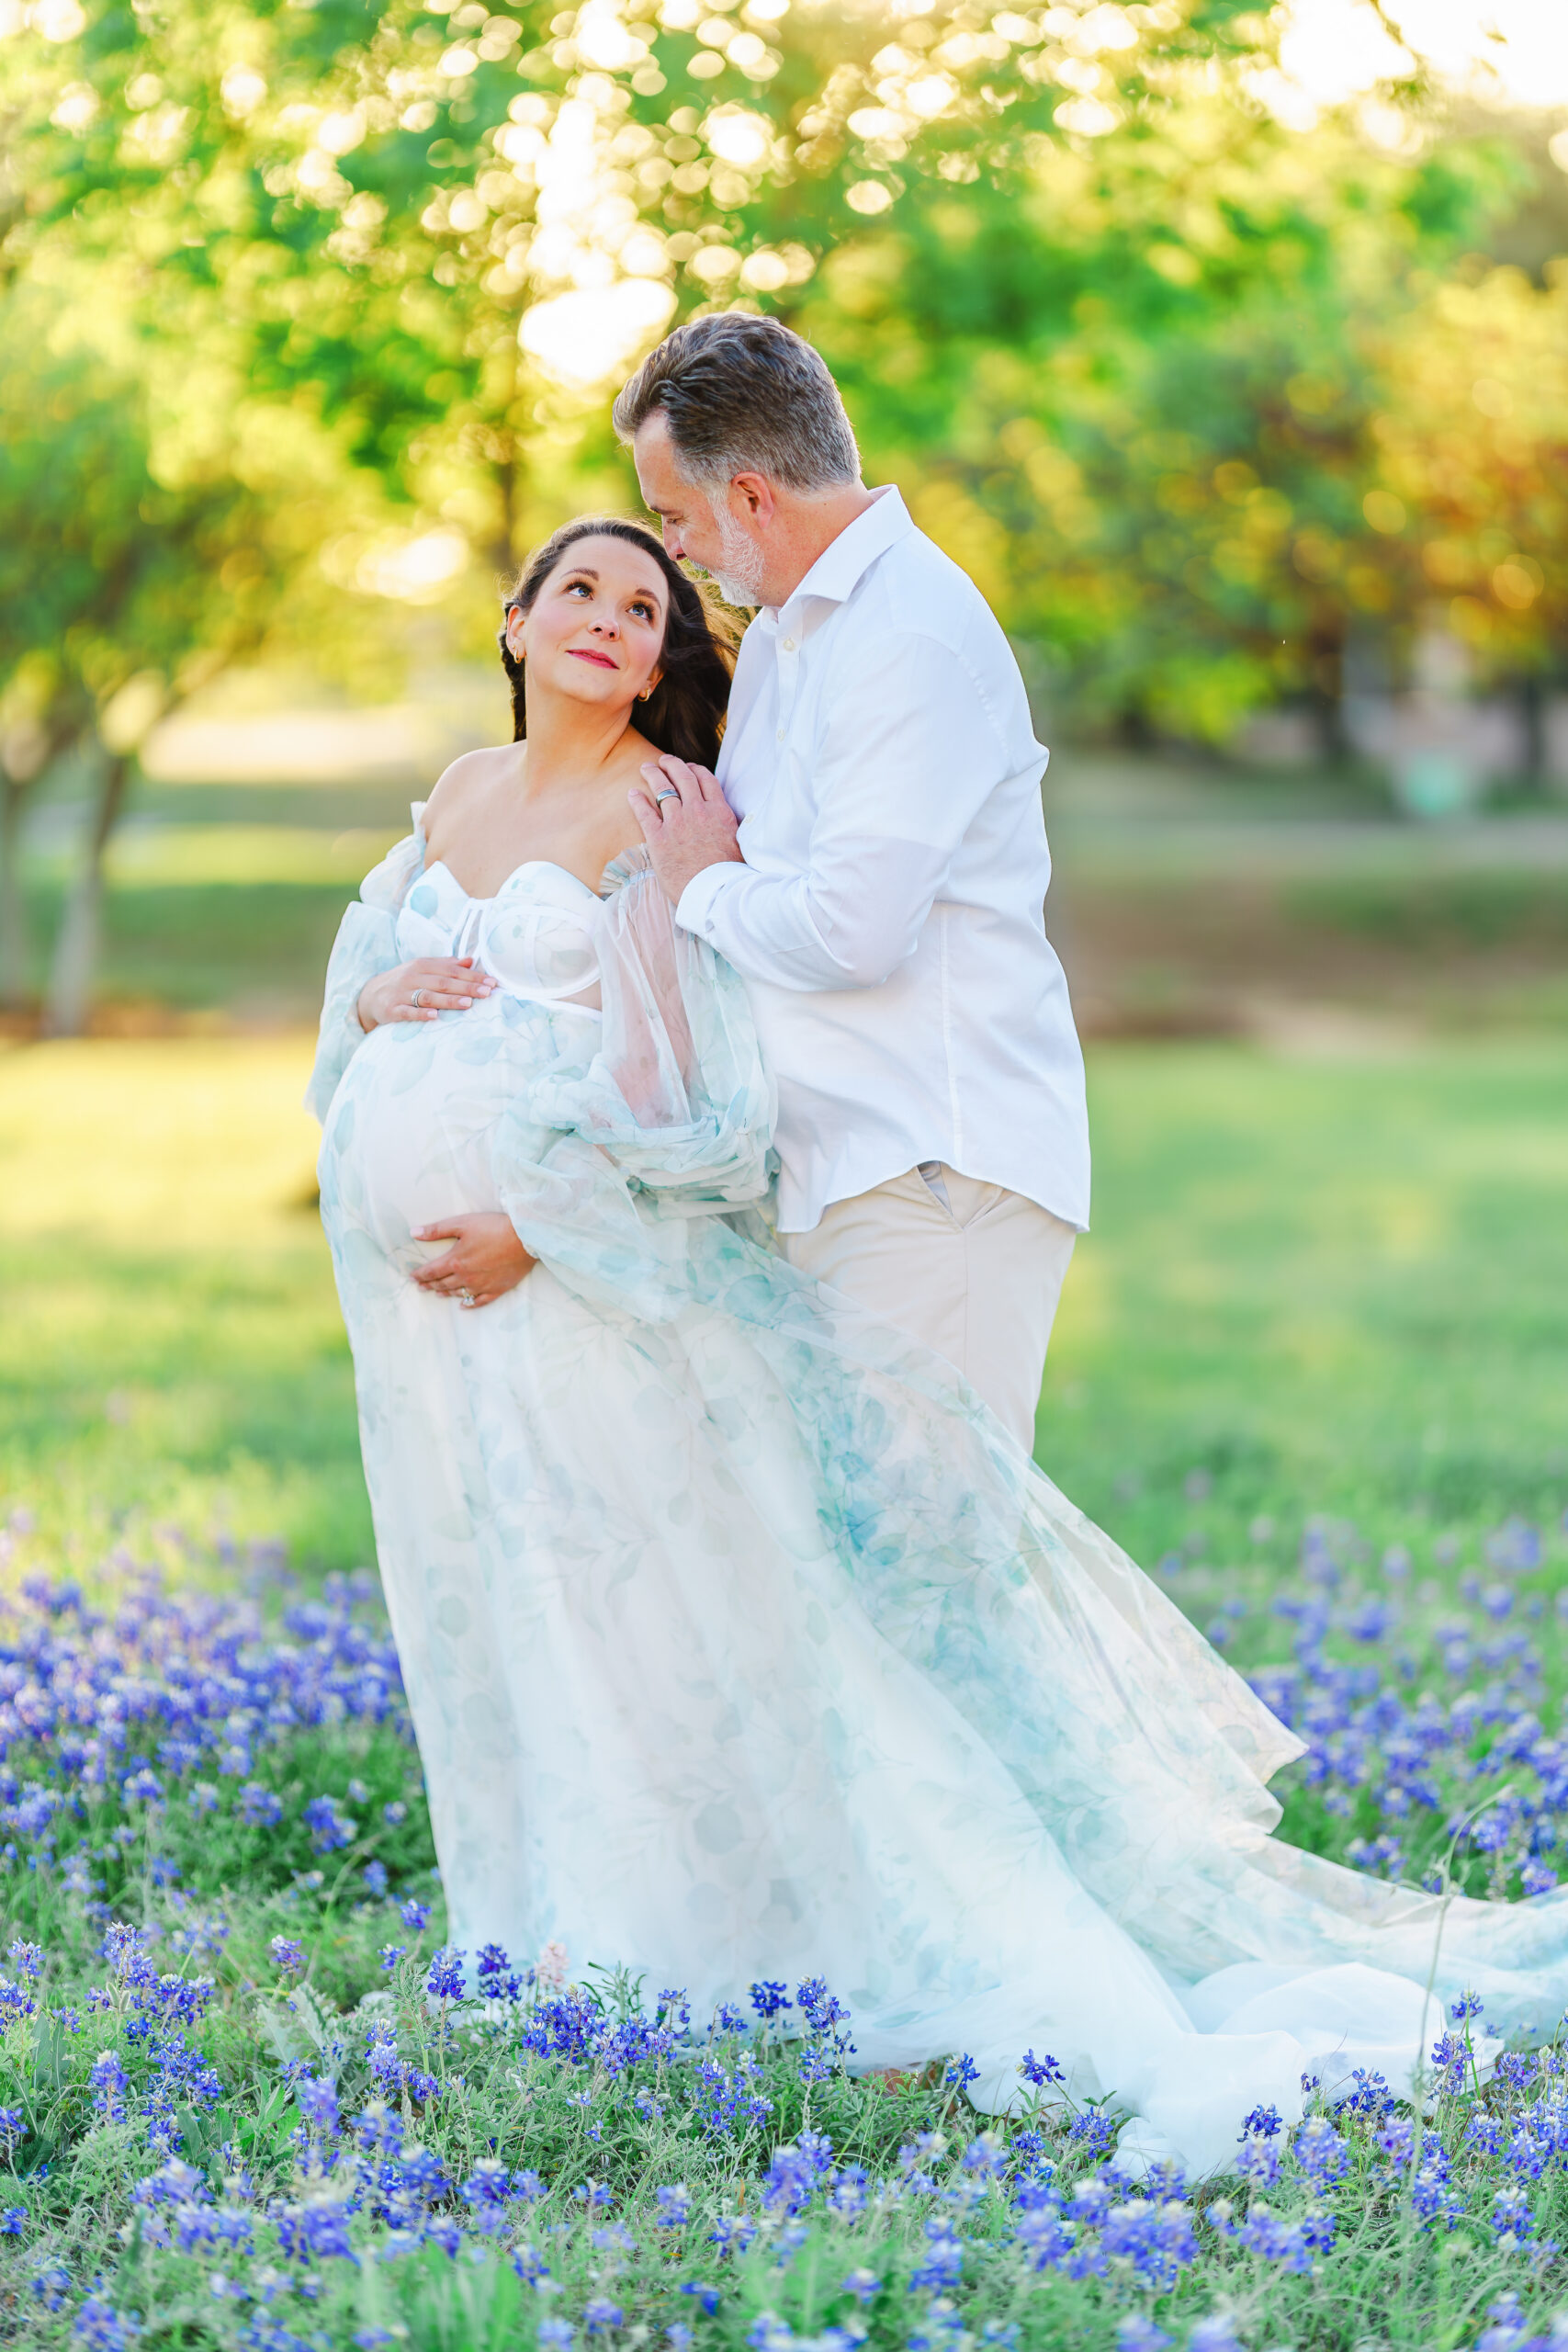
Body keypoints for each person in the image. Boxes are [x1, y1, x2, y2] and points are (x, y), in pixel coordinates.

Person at [310, 513, 1568, 2187]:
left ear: (667, 655)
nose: (613, 618)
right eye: (583, 593)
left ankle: (693, 1961)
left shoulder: (668, 810)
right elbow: (367, 974)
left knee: (650, 1622)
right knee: (516, 1610)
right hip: (440, 1341)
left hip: (589, 1295)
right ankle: (566, 1956)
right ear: (515, 619)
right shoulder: (458, 793)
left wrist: (536, 1222)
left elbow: (694, 1099)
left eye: (648, 604)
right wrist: (377, 1007)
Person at [612, 312, 1089, 1457]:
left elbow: (850, 929)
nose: (673, 549)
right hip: (833, 1171)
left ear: (753, 497)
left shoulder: (905, 635)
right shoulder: (793, 635)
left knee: (935, 1548)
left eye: (675, 516)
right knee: (849, 1553)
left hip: (928, 1181)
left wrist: (700, 886)